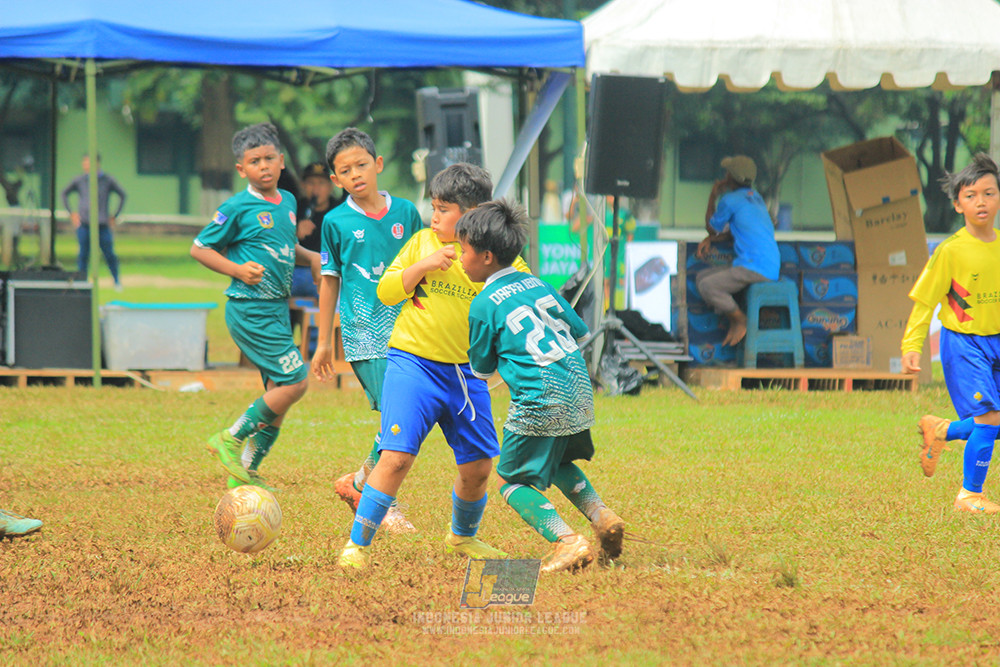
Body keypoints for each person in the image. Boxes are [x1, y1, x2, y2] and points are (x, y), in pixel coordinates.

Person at [336, 163, 528, 569]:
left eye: (443, 209)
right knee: (396, 458)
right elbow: (386, 292)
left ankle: (462, 539)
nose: (433, 216)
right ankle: (357, 547)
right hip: (412, 366)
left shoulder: (496, 255)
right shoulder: (422, 243)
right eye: (433, 207)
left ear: (474, 212)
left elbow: (520, 295)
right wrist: (422, 266)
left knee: (478, 467)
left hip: (465, 376)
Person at [456, 199, 625, 574]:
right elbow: (578, 331)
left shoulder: (483, 303)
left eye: (462, 250)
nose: (458, 258)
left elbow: (481, 368)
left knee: (508, 479)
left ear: (485, 257)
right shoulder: (538, 284)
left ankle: (568, 542)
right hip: (578, 387)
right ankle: (602, 516)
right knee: (559, 459)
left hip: (540, 397)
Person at [191, 122, 321, 490]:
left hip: (277, 309)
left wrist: (310, 257)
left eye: (269, 158)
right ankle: (230, 438)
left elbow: (282, 248)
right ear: (241, 169)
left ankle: (245, 474)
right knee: (295, 382)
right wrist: (236, 269)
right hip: (250, 309)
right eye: (254, 161)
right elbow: (199, 248)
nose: (263, 166)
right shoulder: (236, 207)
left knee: (278, 393)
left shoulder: (289, 202)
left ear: (281, 162)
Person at [310, 128, 423, 534]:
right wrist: (324, 342)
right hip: (365, 335)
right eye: (345, 170)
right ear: (335, 179)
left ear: (377, 165)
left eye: (361, 165)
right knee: (398, 418)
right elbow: (329, 281)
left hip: (411, 330)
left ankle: (357, 484)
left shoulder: (407, 213)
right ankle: (381, 502)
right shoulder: (335, 223)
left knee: (405, 419)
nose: (355, 174)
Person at [902, 153, 1000, 513]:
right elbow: (925, 301)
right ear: (958, 203)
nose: (981, 202)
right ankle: (968, 496)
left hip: (997, 342)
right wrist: (912, 344)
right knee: (990, 419)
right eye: (971, 195)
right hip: (965, 344)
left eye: (989, 193)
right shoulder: (950, 251)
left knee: (993, 422)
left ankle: (942, 430)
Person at [695, 155, 780, 346]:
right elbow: (736, 233)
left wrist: (713, 194)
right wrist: (712, 239)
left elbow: (711, 226)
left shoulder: (729, 200)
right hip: (767, 265)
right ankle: (734, 319)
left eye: (727, 173)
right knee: (702, 277)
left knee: (707, 286)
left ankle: (740, 320)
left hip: (754, 267)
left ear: (731, 177)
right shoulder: (756, 198)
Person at [61, 153, 126, 291]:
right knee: (83, 254)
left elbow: (122, 194)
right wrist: (72, 213)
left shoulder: (107, 180)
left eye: (89, 162)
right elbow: (64, 193)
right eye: (84, 163)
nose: (86, 165)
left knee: (109, 254)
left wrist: (115, 215)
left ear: (97, 163)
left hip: (102, 224)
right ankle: (82, 282)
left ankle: (116, 281)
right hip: (84, 224)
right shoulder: (80, 180)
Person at [291, 161, 345, 298]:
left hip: (326, 274)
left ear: (331, 186)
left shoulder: (339, 211)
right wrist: (295, 233)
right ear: (303, 185)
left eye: (321, 183)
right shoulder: (294, 208)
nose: (316, 189)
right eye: (311, 183)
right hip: (294, 272)